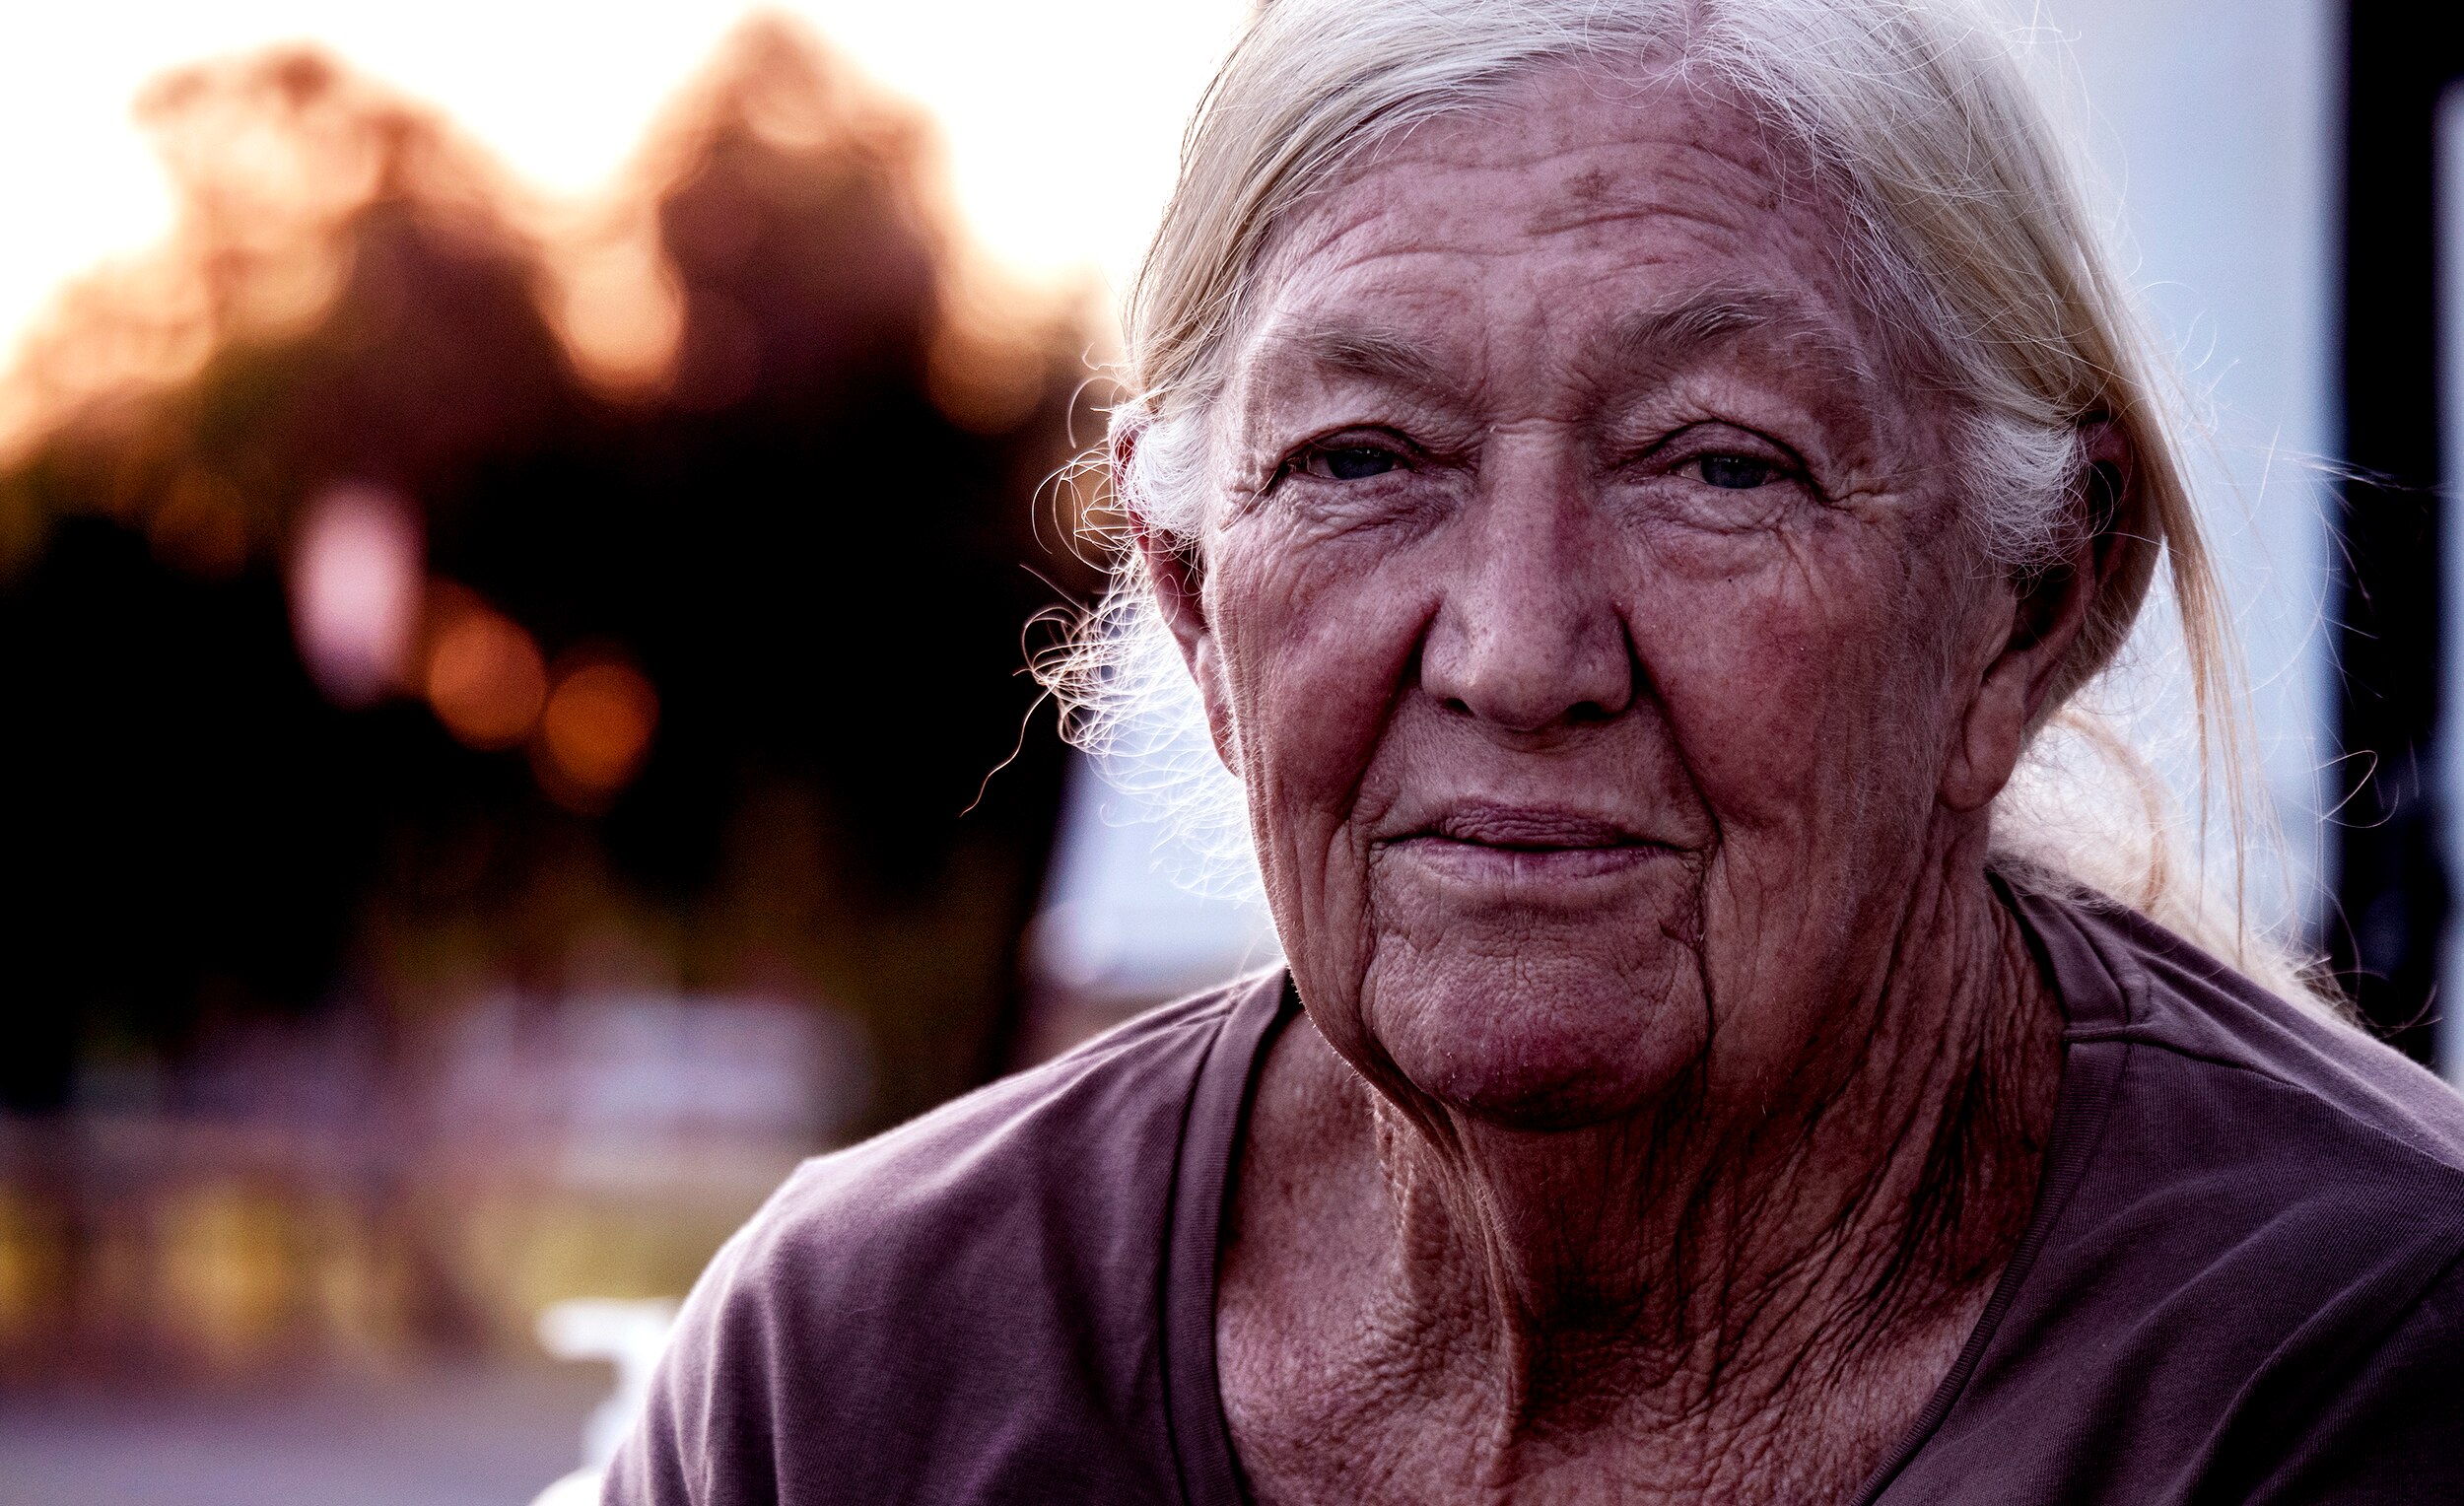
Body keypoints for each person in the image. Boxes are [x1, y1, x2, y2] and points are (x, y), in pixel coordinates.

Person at [606, 1, 2464, 1500]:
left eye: (1720, 463)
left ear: (2032, 607)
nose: (1519, 652)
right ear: (1189, 606)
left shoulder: (2367, 1358)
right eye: (1359, 460)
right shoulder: (854, 1367)